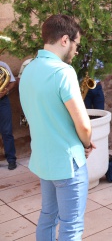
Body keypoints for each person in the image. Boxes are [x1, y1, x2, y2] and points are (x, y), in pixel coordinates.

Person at [20, 14, 94, 240]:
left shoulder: (28, 69)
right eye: (76, 44)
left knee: (48, 216)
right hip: (67, 161)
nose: (76, 50)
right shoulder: (63, 71)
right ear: (64, 40)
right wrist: (87, 143)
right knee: (71, 226)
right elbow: (83, 125)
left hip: (44, 159)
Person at [0, 60, 17, 170]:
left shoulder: (3, 65)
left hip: (3, 101)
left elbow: (12, 82)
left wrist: (5, 91)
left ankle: (11, 160)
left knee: (7, 131)